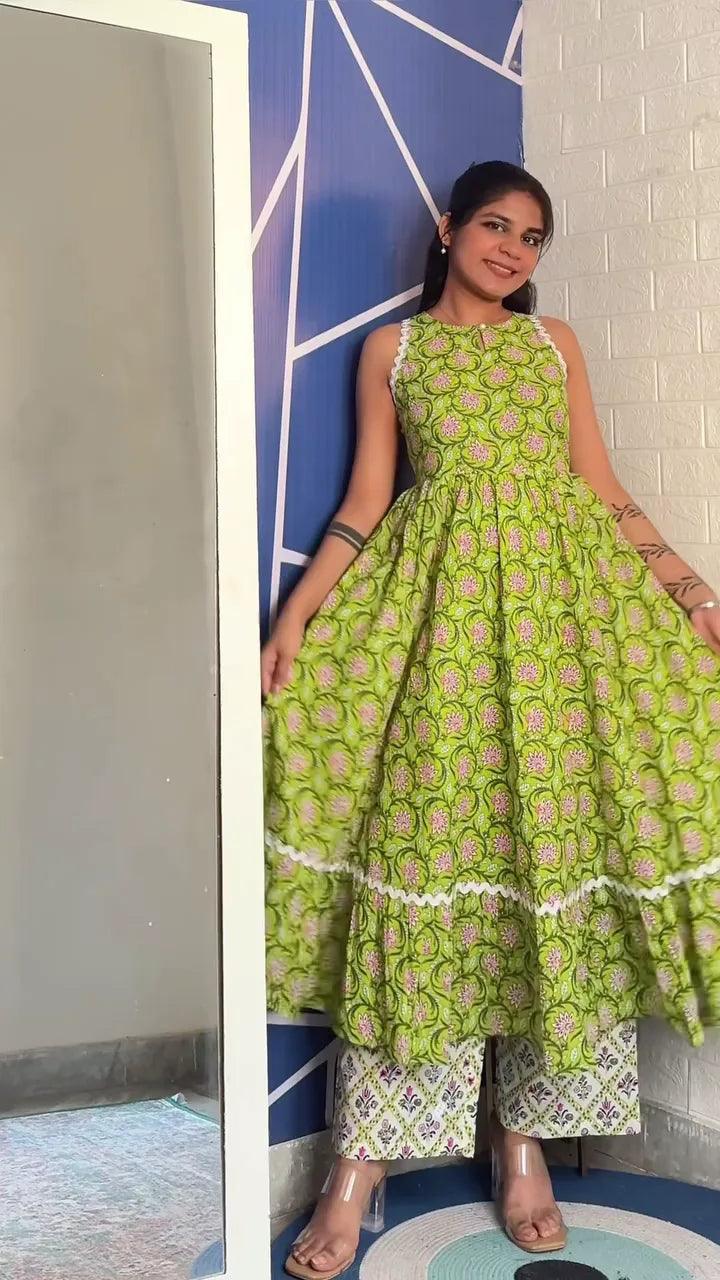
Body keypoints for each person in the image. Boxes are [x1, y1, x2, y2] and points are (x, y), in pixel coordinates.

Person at [262, 160, 720, 1278]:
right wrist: (295, 616)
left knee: (549, 863)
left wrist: (692, 592)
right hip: (445, 632)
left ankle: (527, 1147)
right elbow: (365, 502)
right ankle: (358, 1168)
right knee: (426, 857)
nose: (513, 250)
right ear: (448, 227)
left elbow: (602, 490)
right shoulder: (395, 351)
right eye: (497, 226)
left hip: (563, 631)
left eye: (532, 237)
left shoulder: (553, 344)